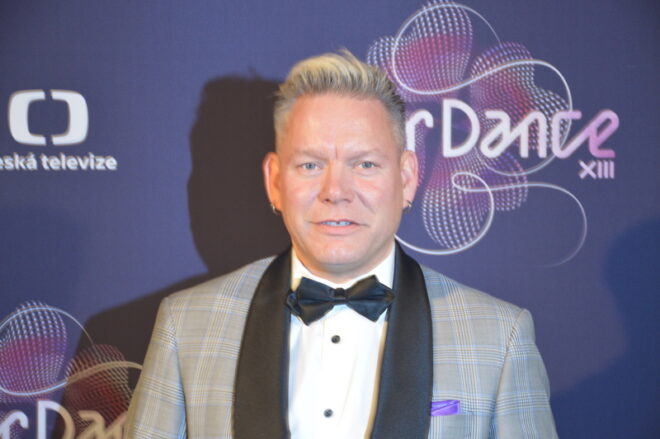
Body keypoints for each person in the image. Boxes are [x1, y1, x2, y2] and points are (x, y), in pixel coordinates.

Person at [125, 50, 557, 438]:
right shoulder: (187, 325)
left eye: (365, 164)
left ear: (407, 177)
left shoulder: (499, 338)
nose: (336, 191)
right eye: (310, 165)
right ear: (274, 181)